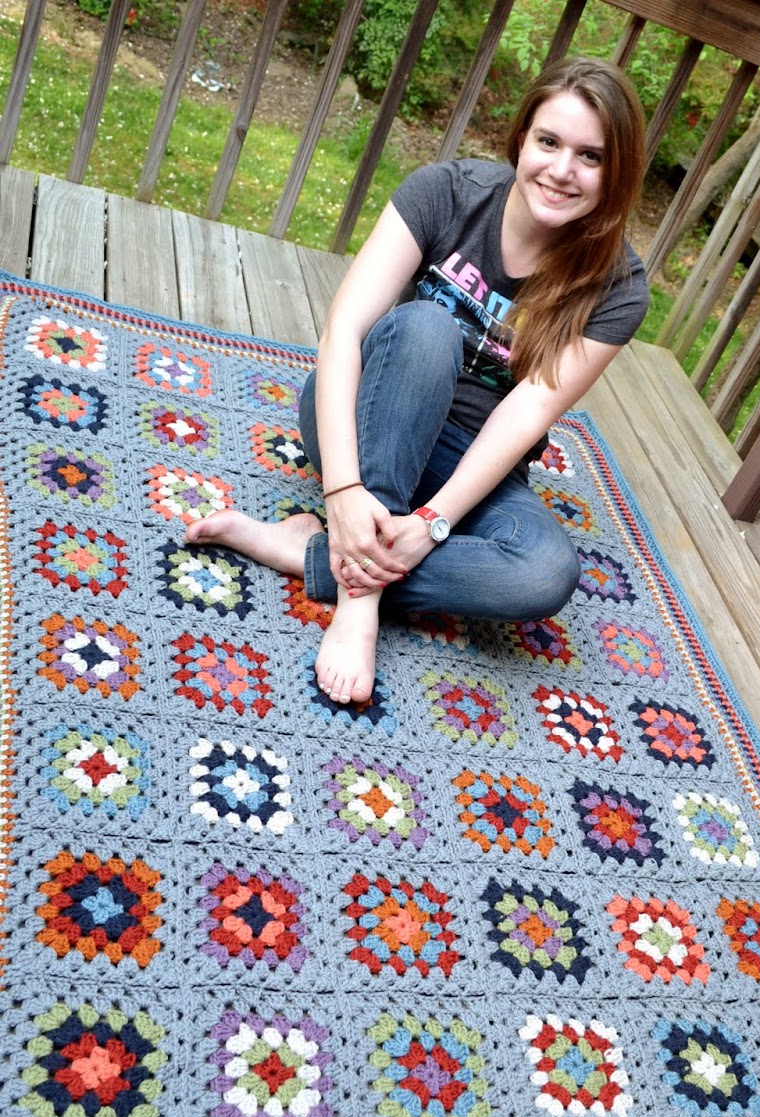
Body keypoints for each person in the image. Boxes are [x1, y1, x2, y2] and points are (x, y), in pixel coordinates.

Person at [186, 56, 649, 703]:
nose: (561, 170)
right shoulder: (445, 193)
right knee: (431, 329)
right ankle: (358, 602)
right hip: (368, 409)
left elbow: (523, 416)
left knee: (544, 574)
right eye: (549, 142)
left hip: (468, 458)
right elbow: (344, 332)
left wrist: (432, 522)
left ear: (614, 172)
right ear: (522, 139)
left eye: (590, 156)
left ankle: (312, 554)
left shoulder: (619, 287)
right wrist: (345, 490)